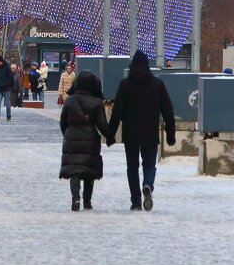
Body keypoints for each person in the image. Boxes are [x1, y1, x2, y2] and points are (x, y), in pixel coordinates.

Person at [106, 50, 175, 212]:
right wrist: (170, 134)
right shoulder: (157, 85)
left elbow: (116, 112)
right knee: (149, 163)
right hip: (150, 131)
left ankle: (136, 201)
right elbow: (168, 110)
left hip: (130, 133)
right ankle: (148, 184)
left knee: (132, 167)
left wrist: (110, 134)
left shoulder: (125, 85)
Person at [59, 71, 111, 211]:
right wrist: (110, 137)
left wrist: (68, 134)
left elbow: (63, 121)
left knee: (74, 172)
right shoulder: (96, 102)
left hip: (72, 138)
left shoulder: (70, 100)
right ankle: (87, 202)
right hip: (90, 139)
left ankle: (75, 198)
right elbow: (102, 125)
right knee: (89, 172)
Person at [0, 55, 14, 121]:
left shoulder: (7, 68)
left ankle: (8, 116)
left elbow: (11, 78)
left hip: (6, 88)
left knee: (7, 103)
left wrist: (8, 85)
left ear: (1, 61)